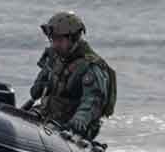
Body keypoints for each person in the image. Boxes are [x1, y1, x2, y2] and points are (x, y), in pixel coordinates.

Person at [26, 11, 117, 140]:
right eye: (53, 39)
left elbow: (92, 101)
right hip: (47, 115)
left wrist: (79, 121)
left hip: (70, 126)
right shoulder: (55, 57)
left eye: (59, 40)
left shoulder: (90, 66)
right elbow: (35, 92)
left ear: (73, 38)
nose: (55, 44)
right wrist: (41, 83)